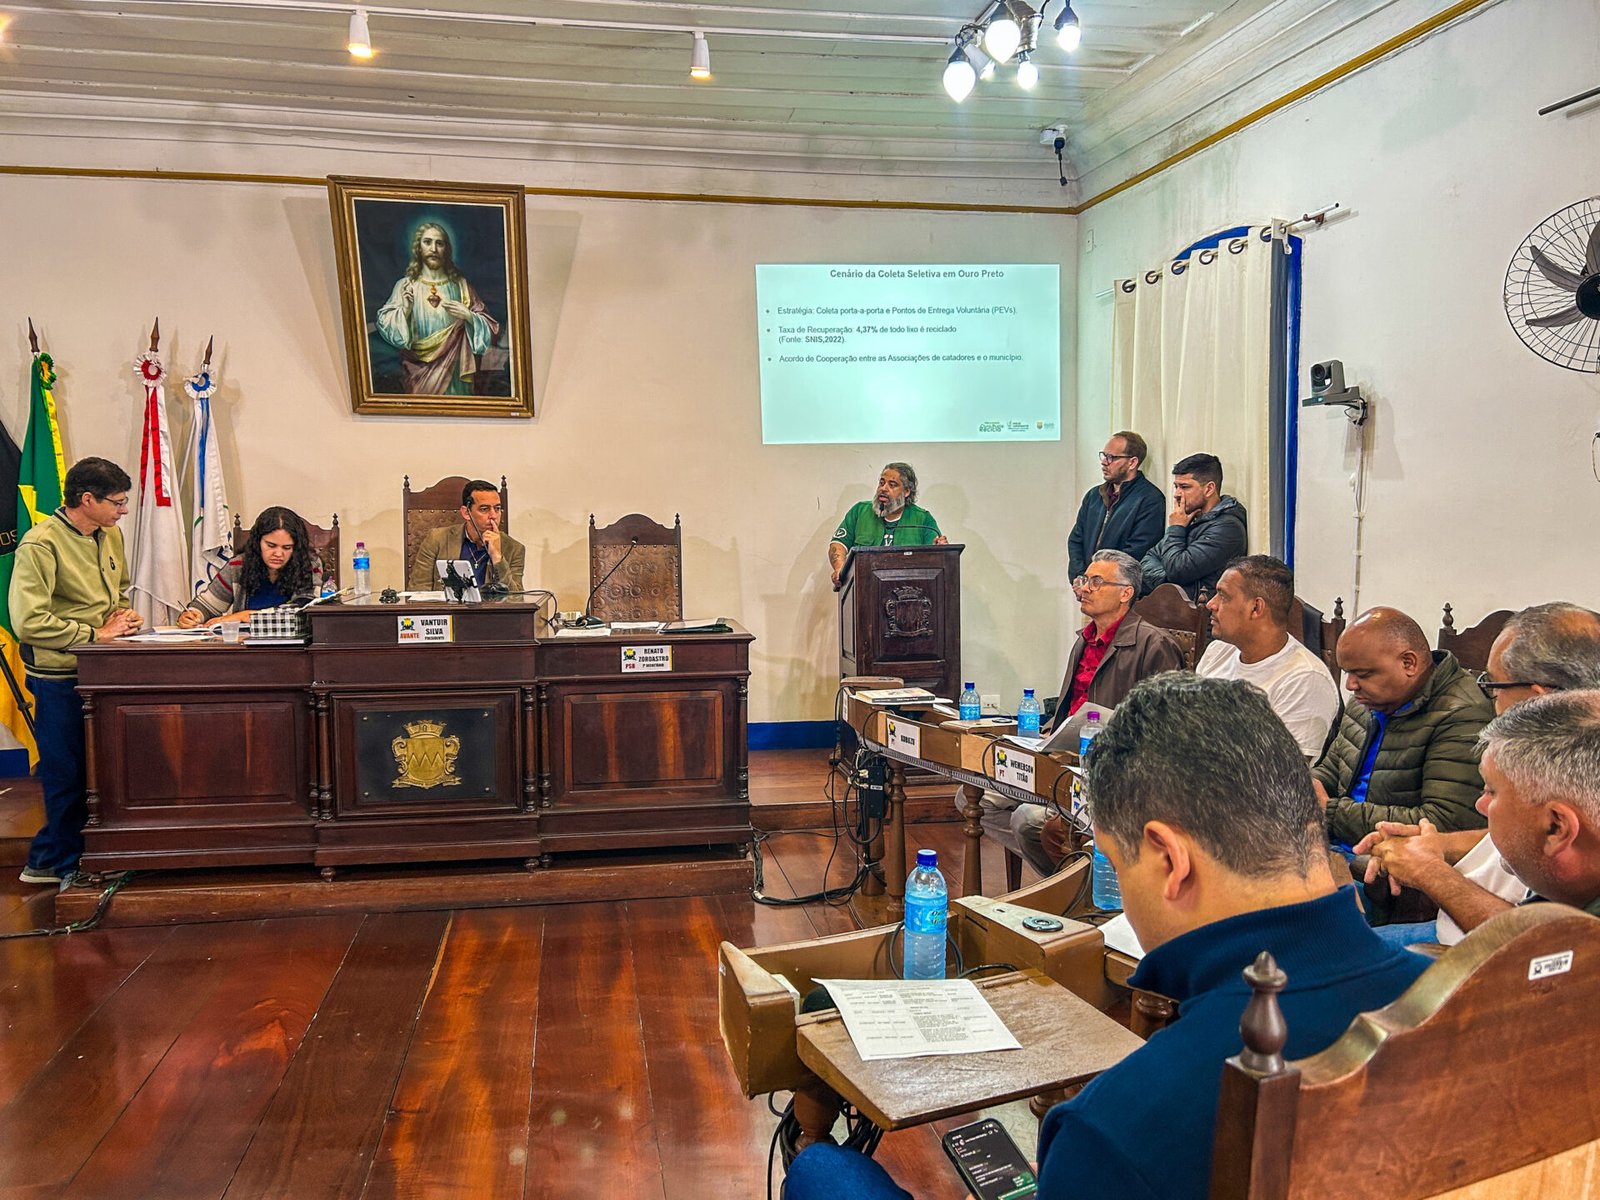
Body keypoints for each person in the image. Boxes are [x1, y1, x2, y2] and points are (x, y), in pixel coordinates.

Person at [785, 675, 1430, 1200]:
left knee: (822, 1177)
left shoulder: (1115, 1128)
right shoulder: (1452, 994)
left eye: (1118, 870)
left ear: (1170, 861)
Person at [1357, 602, 1600, 948]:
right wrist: (1437, 845)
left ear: (1537, 699)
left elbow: (1550, 952)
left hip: (1490, 954)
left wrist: (1431, 872)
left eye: (1493, 685)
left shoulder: (1556, 768)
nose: (1488, 700)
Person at [965, 550, 1181, 877]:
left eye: (1097, 581)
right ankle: (1067, 874)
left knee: (1026, 820)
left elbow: (1163, 730)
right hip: (1059, 758)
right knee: (975, 799)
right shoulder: (1084, 640)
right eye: (1084, 580)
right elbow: (1067, 709)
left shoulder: (1154, 644)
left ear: (1126, 593)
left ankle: (1072, 883)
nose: (1085, 589)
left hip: (1106, 775)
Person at [11, 457, 143, 885]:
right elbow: (28, 621)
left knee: (100, 771)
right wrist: (95, 632)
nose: (123, 511)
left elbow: (117, 590)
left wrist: (123, 618)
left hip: (103, 671)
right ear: (86, 499)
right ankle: (70, 868)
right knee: (67, 773)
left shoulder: (110, 536)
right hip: (60, 676)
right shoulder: (40, 544)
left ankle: (50, 859)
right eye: (117, 503)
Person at [1315, 606, 1494, 849]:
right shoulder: (1365, 701)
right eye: (1348, 672)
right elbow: (1331, 770)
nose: (1350, 685)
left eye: (1363, 674)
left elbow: (1443, 823)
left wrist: (1332, 813)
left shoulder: (1462, 715)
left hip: (1386, 865)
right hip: (1336, 843)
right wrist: (1307, 786)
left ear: (1409, 663)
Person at [1198, 555, 1340, 757]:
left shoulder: (1305, 679)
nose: (1211, 604)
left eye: (1223, 596)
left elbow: (1281, 774)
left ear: (1256, 608)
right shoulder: (1217, 652)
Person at [376, 221, 501, 396]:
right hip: (418, 370)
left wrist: (469, 317)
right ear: (418, 247)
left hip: (455, 371)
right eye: (427, 242)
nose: (433, 248)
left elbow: (492, 329)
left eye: (439, 243)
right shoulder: (405, 286)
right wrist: (405, 310)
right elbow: (387, 327)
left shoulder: (461, 287)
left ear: (446, 249)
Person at [176, 507, 324, 627]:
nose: (278, 553)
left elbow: (303, 610)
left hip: (294, 650)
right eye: (271, 545)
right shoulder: (238, 566)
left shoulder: (309, 565)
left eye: (287, 547)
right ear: (258, 542)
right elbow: (208, 605)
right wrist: (193, 615)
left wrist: (245, 616)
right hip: (245, 649)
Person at [1138, 452, 1247, 600]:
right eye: (1176, 486)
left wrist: (1176, 528)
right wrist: (1167, 581)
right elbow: (1148, 559)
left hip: (1200, 615)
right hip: (1172, 607)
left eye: (1185, 487)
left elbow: (1178, 570)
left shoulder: (1227, 528)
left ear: (1209, 489)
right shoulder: (1189, 519)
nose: (1177, 494)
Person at [827, 462, 948, 587]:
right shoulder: (859, 511)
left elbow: (935, 558)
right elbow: (838, 544)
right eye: (882, 482)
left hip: (909, 592)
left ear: (906, 491)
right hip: (865, 589)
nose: (883, 488)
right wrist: (840, 569)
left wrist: (940, 550)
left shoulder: (923, 519)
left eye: (892, 485)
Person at [1066, 431, 1165, 581]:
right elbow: (1076, 540)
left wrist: (1100, 581)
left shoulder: (1150, 499)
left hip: (1120, 589)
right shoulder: (1094, 496)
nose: (1104, 462)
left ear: (1132, 462)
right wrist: (1081, 577)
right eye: (1104, 455)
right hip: (1088, 585)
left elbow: (1137, 551)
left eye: (1111, 457)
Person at [407, 479, 525, 592]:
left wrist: (497, 557)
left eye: (497, 508)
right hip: (447, 611)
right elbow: (418, 591)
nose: (493, 515)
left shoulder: (514, 549)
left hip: (490, 613)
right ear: (466, 513)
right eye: (484, 509)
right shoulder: (437, 539)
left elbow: (516, 599)